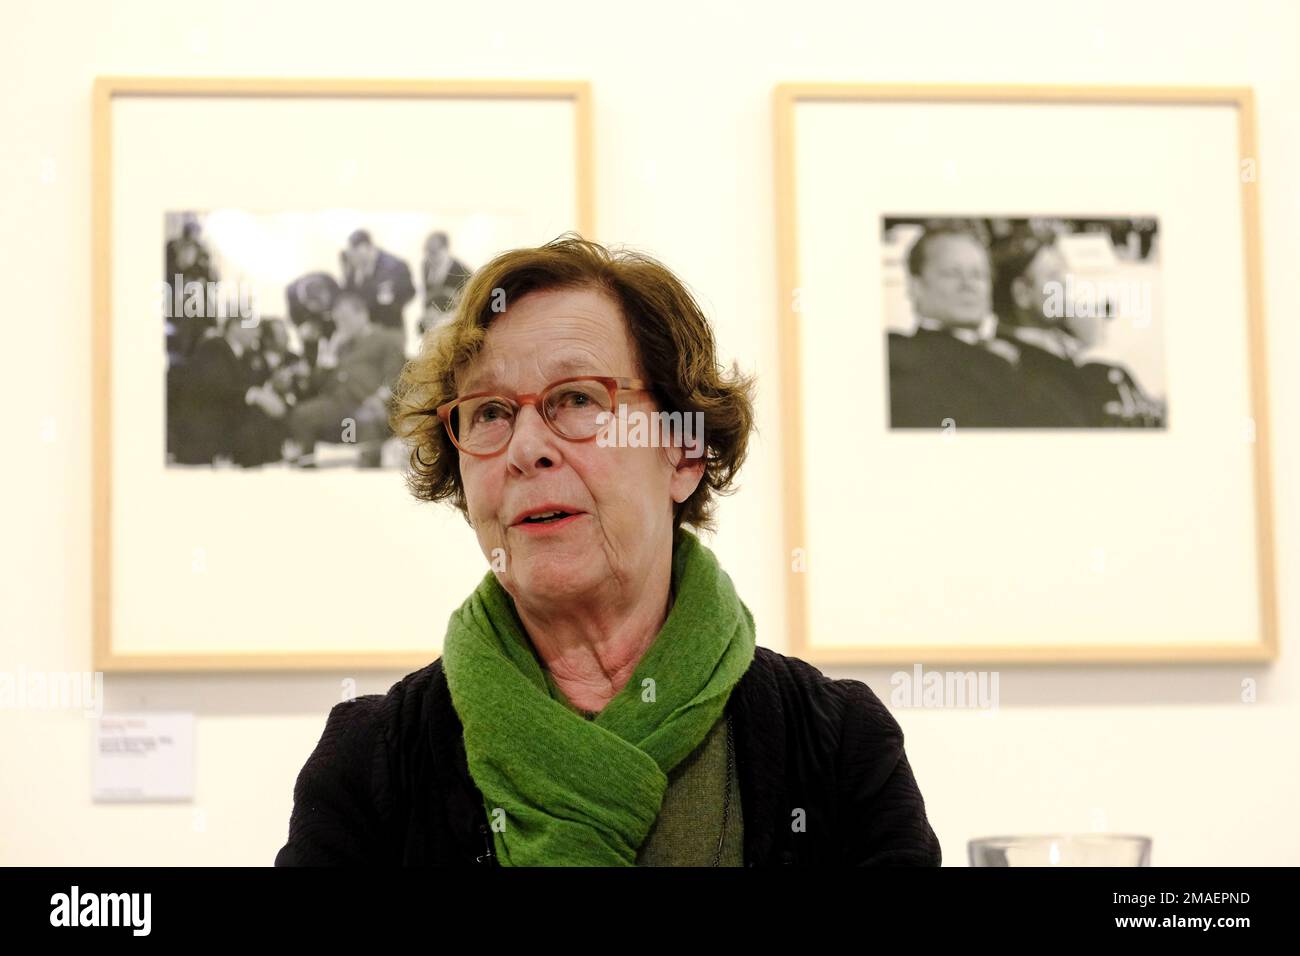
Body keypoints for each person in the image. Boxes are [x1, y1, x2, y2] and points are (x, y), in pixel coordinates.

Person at [274, 234, 941, 867]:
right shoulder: (370, 765)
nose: (526, 447)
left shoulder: (838, 749)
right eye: (490, 413)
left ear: (682, 451)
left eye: (576, 399)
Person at [991, 235, 1165, 428]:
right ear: (1022, 293)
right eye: (1052, 276)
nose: (1065, 282)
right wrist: (1095, 352)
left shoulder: (1059, 335)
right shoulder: (1017, 366)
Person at [887, 228, 1025, 428]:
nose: (968, 284)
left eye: (978, 275)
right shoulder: (901, 358)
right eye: (952, 273)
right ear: (916, 287)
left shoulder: (1013, 351)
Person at [282, 291, 406, 466]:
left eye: (345, 319)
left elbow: (395, 376)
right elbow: (317, 385)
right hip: (336, 402)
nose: (341, 325)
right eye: (337, 320)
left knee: (367, 421)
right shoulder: (339, 345)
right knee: (302, 415)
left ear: (362, 314)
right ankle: (306, 467)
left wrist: (380, 398)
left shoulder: (386, 340)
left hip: (366, 402)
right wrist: (330, 354)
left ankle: (365, 474)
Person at [339, 229, 415, 334]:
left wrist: (389, 307)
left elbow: (409, 292)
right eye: (352, 253)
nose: (354, 257)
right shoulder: (353, 265)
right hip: (361, 330)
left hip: (388, 329)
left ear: (366, 247)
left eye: (356, 252)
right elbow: (349, 294)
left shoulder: (394, 266)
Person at [418, 230, 472, 336]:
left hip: (454, 326)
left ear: (446, 249)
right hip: (433, 325)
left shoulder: (462, 271)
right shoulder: (426, 266)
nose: (430, 257)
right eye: (427, 252)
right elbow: (428, 295)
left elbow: (468, 305)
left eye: (434, 252)